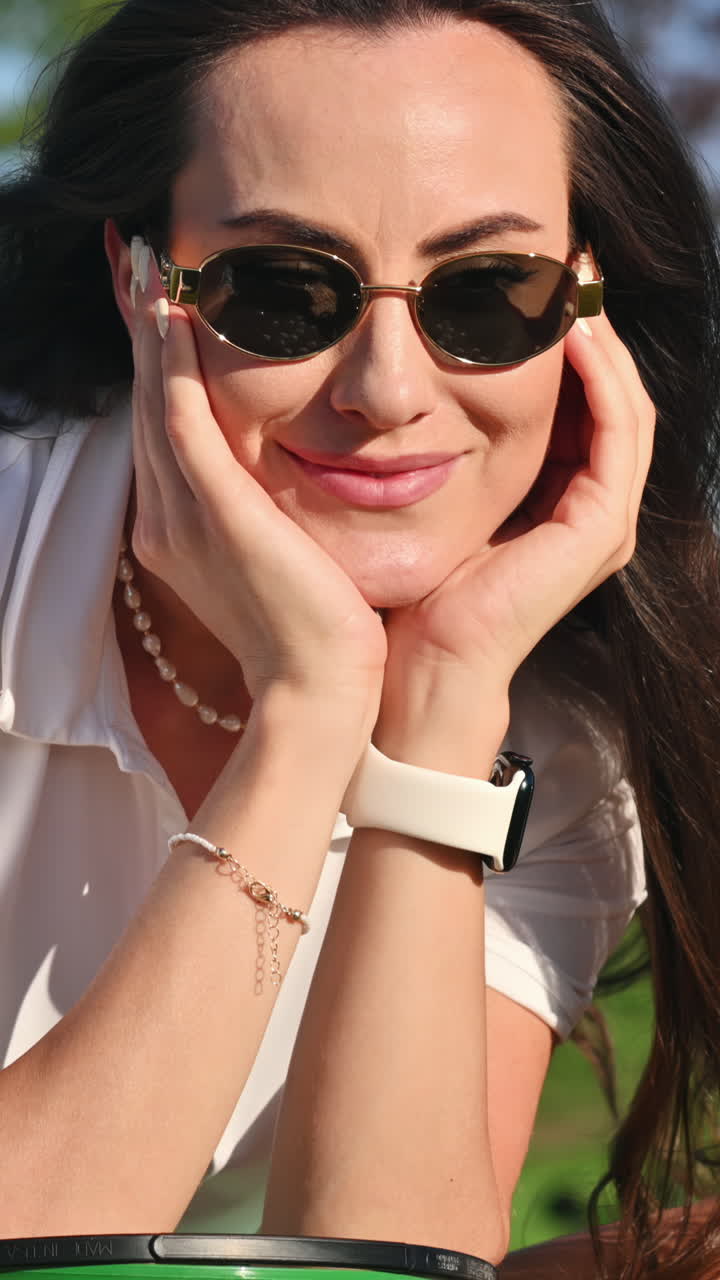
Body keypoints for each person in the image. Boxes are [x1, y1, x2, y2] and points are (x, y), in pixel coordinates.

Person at [0, 0, 717, 1275]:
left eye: (491, 291)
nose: (387, 390)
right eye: (281, 291)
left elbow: (379, 1256)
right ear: (137, 282)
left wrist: (430, 717)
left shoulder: (539, 726)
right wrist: (309, 713)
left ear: (589, 311)